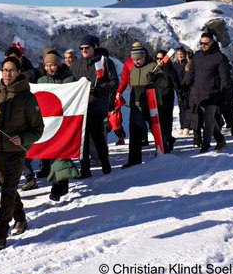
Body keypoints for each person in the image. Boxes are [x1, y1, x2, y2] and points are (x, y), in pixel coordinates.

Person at [0, 56, 44, 250]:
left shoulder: (27, 97)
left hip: (16, 152)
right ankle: (21, 218)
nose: (7, 74)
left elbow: (38, 128)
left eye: (12, 70)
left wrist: (22, 139)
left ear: (18, 72)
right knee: (7, 188)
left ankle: (0, 233)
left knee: (8, 189)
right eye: (5, 70)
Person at [70, 35, 116, 177]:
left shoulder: (105, 61)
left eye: (87, 47)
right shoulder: (76, 65)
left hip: (97, 106)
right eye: (81, 48)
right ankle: (85, 169)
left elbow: (114, 82)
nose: (84, 50)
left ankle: (105, 164)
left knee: (98, 137)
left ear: (94, 47)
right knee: (83, 139)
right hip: (81, 107)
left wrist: (99, 88)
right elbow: (70, 84)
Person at [37, 51, 76, 201]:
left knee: (61, 154)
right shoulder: (40, 81)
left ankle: (58, 186)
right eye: (47, 65)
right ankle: (61, 184)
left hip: (65, 122)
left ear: (58, 65)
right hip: (48, 123)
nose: (50, 68)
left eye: (53, 65)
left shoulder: (68, 79)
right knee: (53, 154)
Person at [123, 44, 170, 167]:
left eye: (139, 59)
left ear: (144, 57)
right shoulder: (133, 70)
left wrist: (155, 78)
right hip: (136, 105)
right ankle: (134, 159)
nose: (136, 61)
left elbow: (165, 82)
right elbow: (132, 88)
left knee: (156, 130)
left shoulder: (153, 66)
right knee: (134, 133)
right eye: (134, 59)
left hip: (152, 104)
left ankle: (163, 151)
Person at [184, 33, 230, 153]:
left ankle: (205, 145)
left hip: (213, 94)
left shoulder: (219, 57)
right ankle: (220, 139)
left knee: (208, 120)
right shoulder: (197, 56)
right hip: (198, 93)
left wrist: (224, 94)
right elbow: (191, 74)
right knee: (209, 120)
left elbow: (225, 78)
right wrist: (184, 85)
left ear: (212, 42)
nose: (203, 45)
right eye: (201, 43)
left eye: (206, 43)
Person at [5, 45, 41, 190]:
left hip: (26, 116)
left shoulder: (31, 73)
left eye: (14, 58)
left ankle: (29, 176)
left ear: (20, 58)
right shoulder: (5, 73)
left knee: (22, 147)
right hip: (10, 116)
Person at [154, 49, 180, 152]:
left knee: (166, 122)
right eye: (157, 58)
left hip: (167, 99)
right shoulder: (154, 69)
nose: (159, 60)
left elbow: (176, 84)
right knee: (158, 123)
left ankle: (167, 142)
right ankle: (165, 141)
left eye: (162, 58)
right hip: (156, 100)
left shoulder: (170, 70)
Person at [172, 47, 192, 136]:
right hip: (179, 89)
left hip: (188, 88)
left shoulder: (188, 64)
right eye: (178, 54)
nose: (180, 55)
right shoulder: (174, 65)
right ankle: (182, 126)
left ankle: (187, 127)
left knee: (188, 107)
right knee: (181, 107)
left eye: (181, 54)